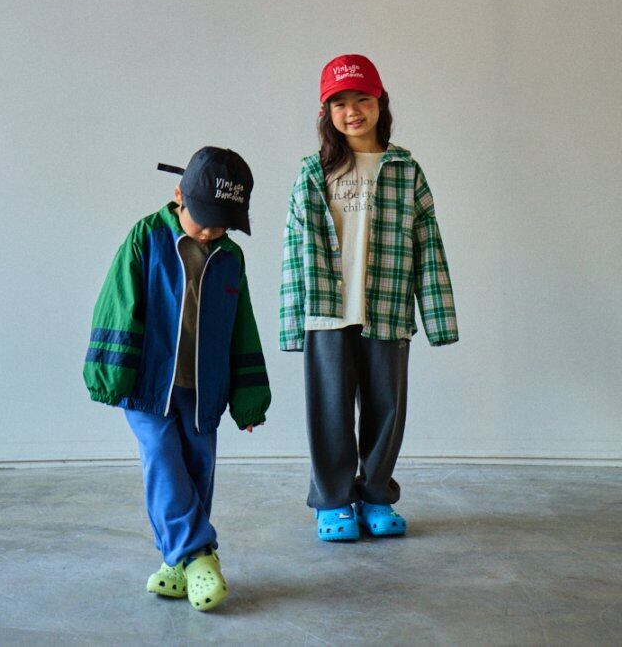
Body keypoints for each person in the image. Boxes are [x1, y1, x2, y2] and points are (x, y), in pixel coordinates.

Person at [280, 54, 458, 541]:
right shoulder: (313, 172)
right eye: (340, 103)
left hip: (387, 307)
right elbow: (293, 248)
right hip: (327, 311)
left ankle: (377, 495)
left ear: (381, 102)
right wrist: (292, 324)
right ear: (326, 113)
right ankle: (334, 502)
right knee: (330, 412)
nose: (352, 111)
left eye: (362, 99)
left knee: (386, 410)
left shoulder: (406, 169)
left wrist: (439, 319)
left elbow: (428, 243)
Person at [84, 146, 270, 610]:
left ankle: (176, 562)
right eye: (204, 219)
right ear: (178, 196)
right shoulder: (146, 238)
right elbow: (118, 304)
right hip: (147, 383)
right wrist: (109, 375)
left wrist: (249, 398)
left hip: (204, 385)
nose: (209, 231)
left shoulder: (230, 257)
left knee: (198, 467)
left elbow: (242, 326)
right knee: (163, 459)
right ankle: (199, 555)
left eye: (222, 224)